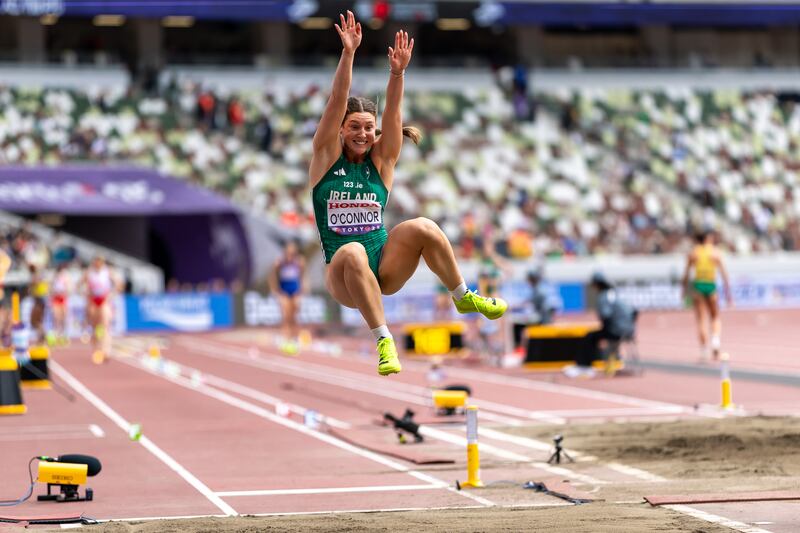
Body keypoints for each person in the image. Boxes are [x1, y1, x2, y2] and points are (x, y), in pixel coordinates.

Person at [309, 11, 507, 376]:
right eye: (354, 127)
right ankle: (384, 340)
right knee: (353, 251)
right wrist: (349, 53)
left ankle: (462, 295)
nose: (363, 134)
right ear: (339, 129)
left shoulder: (383, 161)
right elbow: (337, 99)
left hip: (384, 263)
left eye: (369, 128)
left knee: (424, 227)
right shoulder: (324, 158)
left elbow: (394, 113)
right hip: (343, 270)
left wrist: (397, 74)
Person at [568, 272, 636, 378]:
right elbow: (634, 312)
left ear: (597, 284)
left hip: (616, 331)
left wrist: (609, 328)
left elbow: (606, 315)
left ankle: (584, 366)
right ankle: (607, 361)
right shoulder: (615, 293)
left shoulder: (603, 297)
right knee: (596, 336)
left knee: (589, 337)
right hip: (629, 331)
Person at [682, 230, 732, 361]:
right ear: (708, 239)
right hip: (710, 285)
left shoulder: (693, 253)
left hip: (698, 285)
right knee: (715, 316)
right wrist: (728, 294)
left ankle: (704, 349)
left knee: (701, 319)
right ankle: (715, 341)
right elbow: (724, 274)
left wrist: (683, 291)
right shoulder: (715, 252)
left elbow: (686, 275)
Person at [82, 256, 122, 364]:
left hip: (104, 300)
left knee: (105, 326)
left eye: (100, 262)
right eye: (96, 261)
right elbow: (81, 284)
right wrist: (86, 294)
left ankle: (106, 351)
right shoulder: (89, 272)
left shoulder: (107, 271)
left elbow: (119, 284)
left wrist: (112, 294)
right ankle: (96, 350)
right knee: (95, 327)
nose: (98, 264)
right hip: (93, 301)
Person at [270, 240, 306, 352]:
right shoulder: (279, 262)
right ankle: (285, 339)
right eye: (288, 250)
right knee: (286, 315)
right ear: (285, 251)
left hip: (295, 291)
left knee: (294, 316)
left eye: (292, 250)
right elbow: (272, 276)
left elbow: (303, 276)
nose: (290, 252)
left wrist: (302, 290)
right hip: (284, 291)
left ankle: (295, 338)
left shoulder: (299, 261)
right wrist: (275, 290)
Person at [49, 262, 72, 346]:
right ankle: (57, 335)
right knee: (56, 317)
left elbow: (69, 288)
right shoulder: (54, 276)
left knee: (63, 317)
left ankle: (63, 335)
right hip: (56, 298)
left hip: (63, 298)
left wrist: (66, 291)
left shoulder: (66, 276)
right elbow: (51, 288)